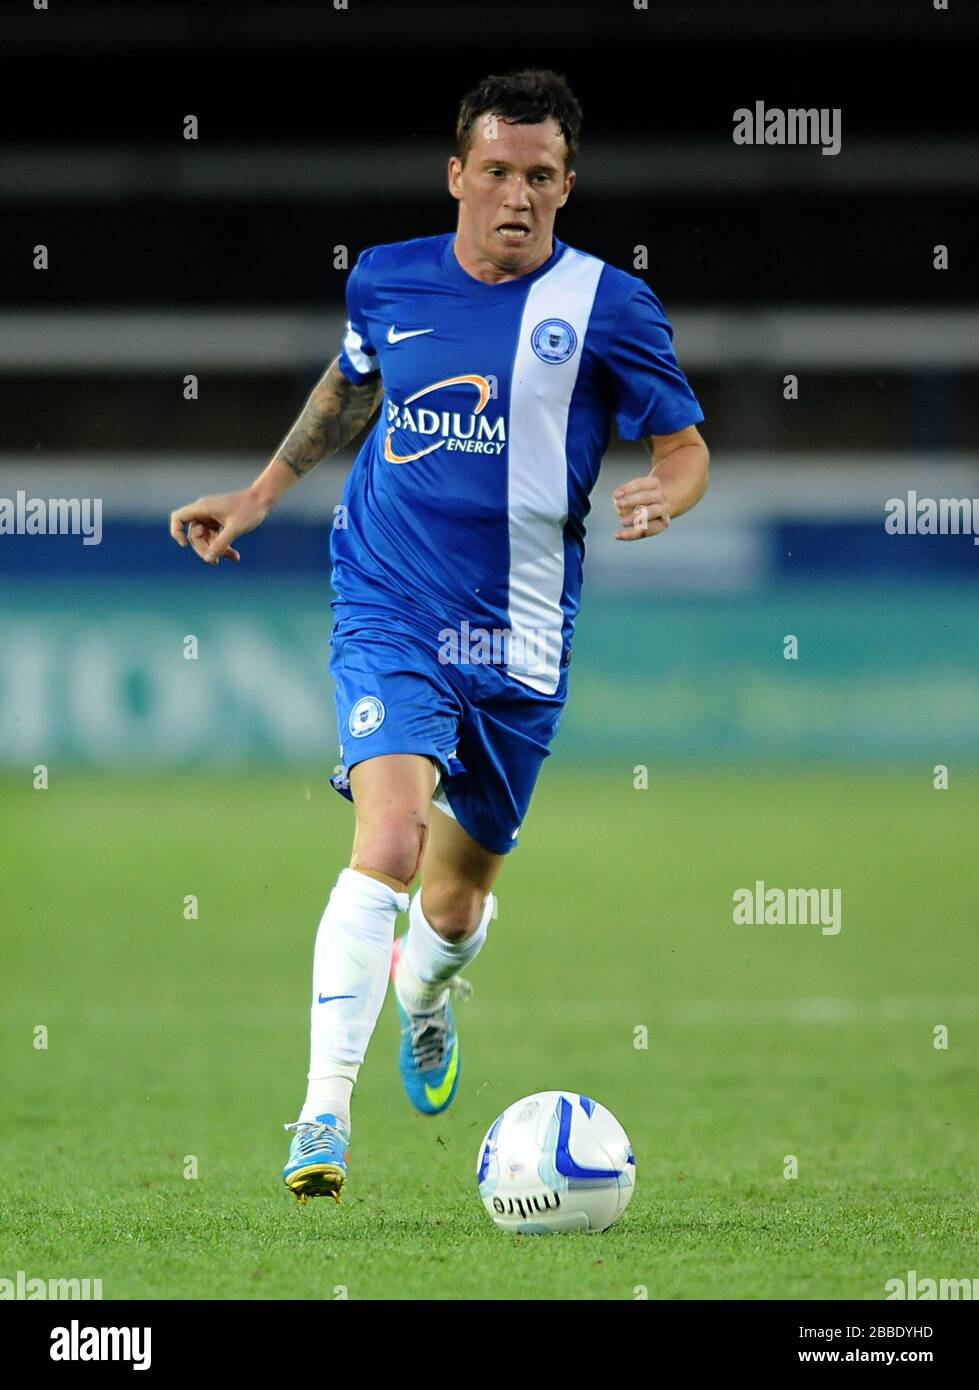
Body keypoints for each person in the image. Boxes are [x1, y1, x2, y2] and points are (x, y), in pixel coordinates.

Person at [169, 68, 709, 1204]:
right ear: (456, 174)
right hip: (389, 601)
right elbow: (352, 384)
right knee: (393, 840)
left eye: (542, 177)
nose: (517, 196)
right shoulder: (386, 278)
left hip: (518, 636)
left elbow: (682, 445)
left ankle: (425, 993)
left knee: (453, 904)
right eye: (498, 172)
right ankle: (320, 1112)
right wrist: (262, 492)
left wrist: (669, 492)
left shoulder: (609, 307)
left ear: (569, 186)